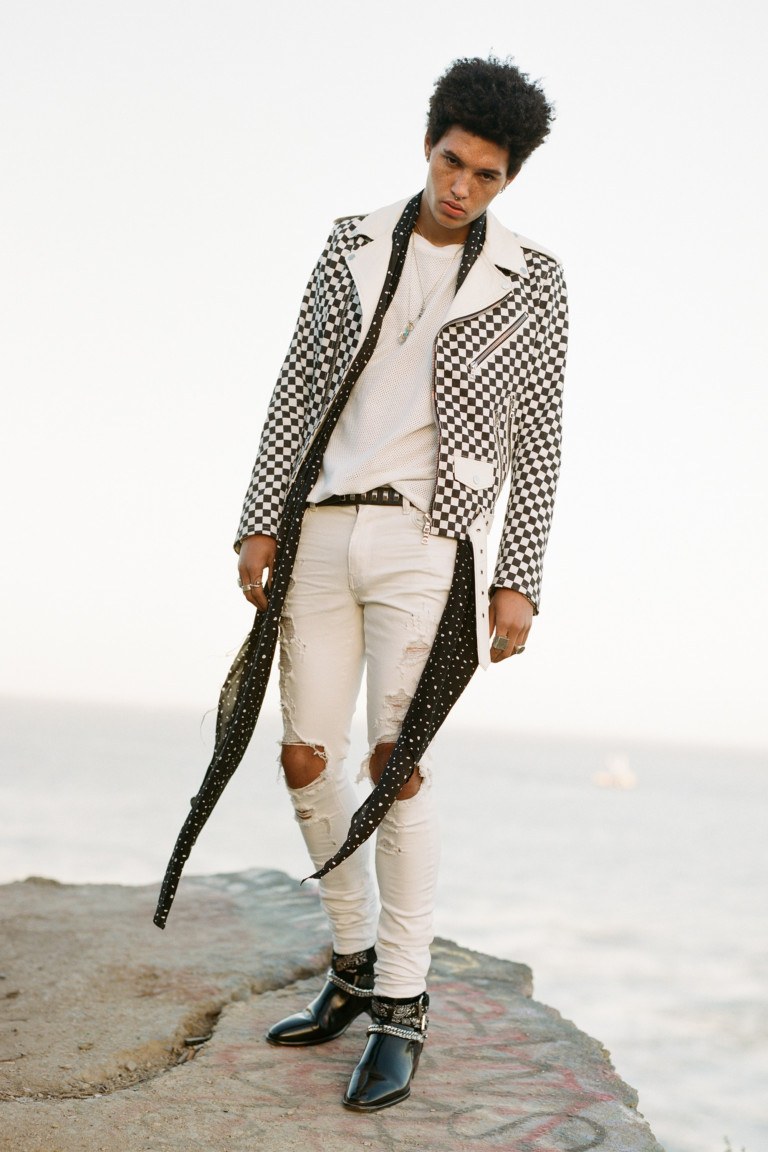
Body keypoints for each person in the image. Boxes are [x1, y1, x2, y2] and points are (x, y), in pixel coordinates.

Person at [154, 54, 568, 1114]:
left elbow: (540, 437)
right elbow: (295, 387)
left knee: (395, 763)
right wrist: (259, 519)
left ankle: (402, 1001)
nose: (460, 187)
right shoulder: (351, 242)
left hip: (428, 542)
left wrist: (517, 578)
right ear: (428, 143)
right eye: (451, 161)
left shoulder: (534, 278)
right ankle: (350, 961)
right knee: (303, 754)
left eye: (485, 174)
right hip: (320, 528)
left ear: (510, 178)